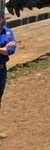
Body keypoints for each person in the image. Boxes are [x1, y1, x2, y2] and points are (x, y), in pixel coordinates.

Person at [0, 9, 17, 140]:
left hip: (2, 70)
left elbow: (11, 49)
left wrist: (6, 49)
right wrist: (3, 49)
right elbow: (6, 49)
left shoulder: (8, 32)